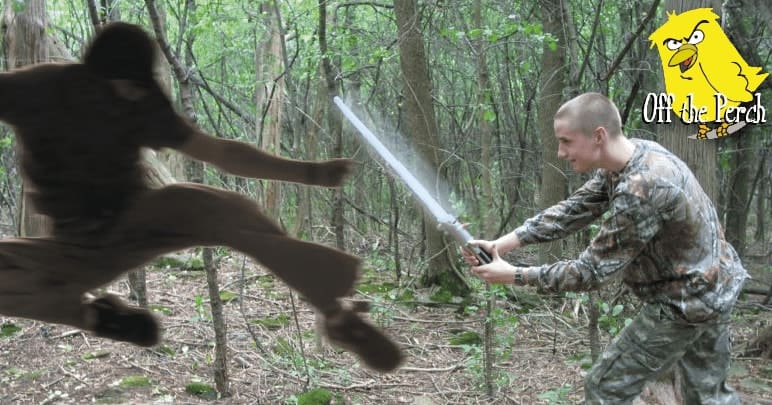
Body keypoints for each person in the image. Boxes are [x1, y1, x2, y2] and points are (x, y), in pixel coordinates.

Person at [0, 22, 402, 372]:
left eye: (143, 88)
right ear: (93, 79)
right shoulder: (37, 89)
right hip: (73, 248)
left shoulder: (145, 103)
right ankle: (96, 316)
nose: (138, 96)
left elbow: (220, 152)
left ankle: (335, 314)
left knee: (223, 209)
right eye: (128, 88)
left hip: (136, 218)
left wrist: (308, 172)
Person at [463, 92, 747, 403]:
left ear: (598, 136)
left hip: (686, 302)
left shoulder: (642, 187)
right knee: (708, 396)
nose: (560, 152)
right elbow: (575, 209)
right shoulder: (633, 158)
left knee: (605, 388)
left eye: (566, 141)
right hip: (715, 287)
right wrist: (502, 244)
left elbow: (591, 272)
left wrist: (515, 275)